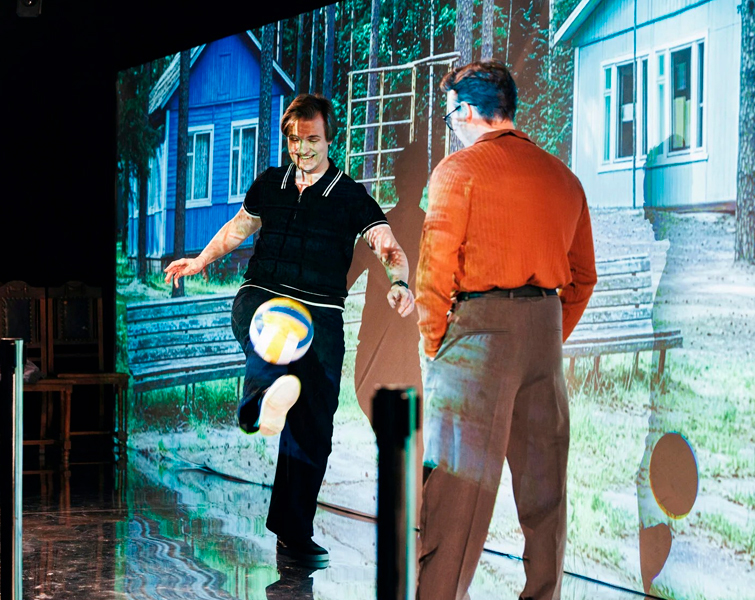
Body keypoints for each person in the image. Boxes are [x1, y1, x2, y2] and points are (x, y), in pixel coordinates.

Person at [164, 93, 415, 568]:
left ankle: (293, 533)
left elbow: (386, 244)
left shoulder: (349, 196)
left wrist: (399, 281)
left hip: (322, 315)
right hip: (262, 296)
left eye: (312, 140)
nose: (302, 149)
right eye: (295, 140)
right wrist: (199, 261)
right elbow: (237, 229)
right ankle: (260, 398)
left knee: (313, 427)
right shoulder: (270, 183)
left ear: (329, 138)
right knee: (276, 331)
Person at [415, 61, 597, 600]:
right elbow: (583, 277)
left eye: (451, 113)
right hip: (544, 333)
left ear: (467, 111)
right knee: (547, 496)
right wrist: (547, 337)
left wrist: (435, 346)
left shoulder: (457, 172)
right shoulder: (563, 178)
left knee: (455, 498)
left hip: (478, 338)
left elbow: (433, 274)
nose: (451, 124)